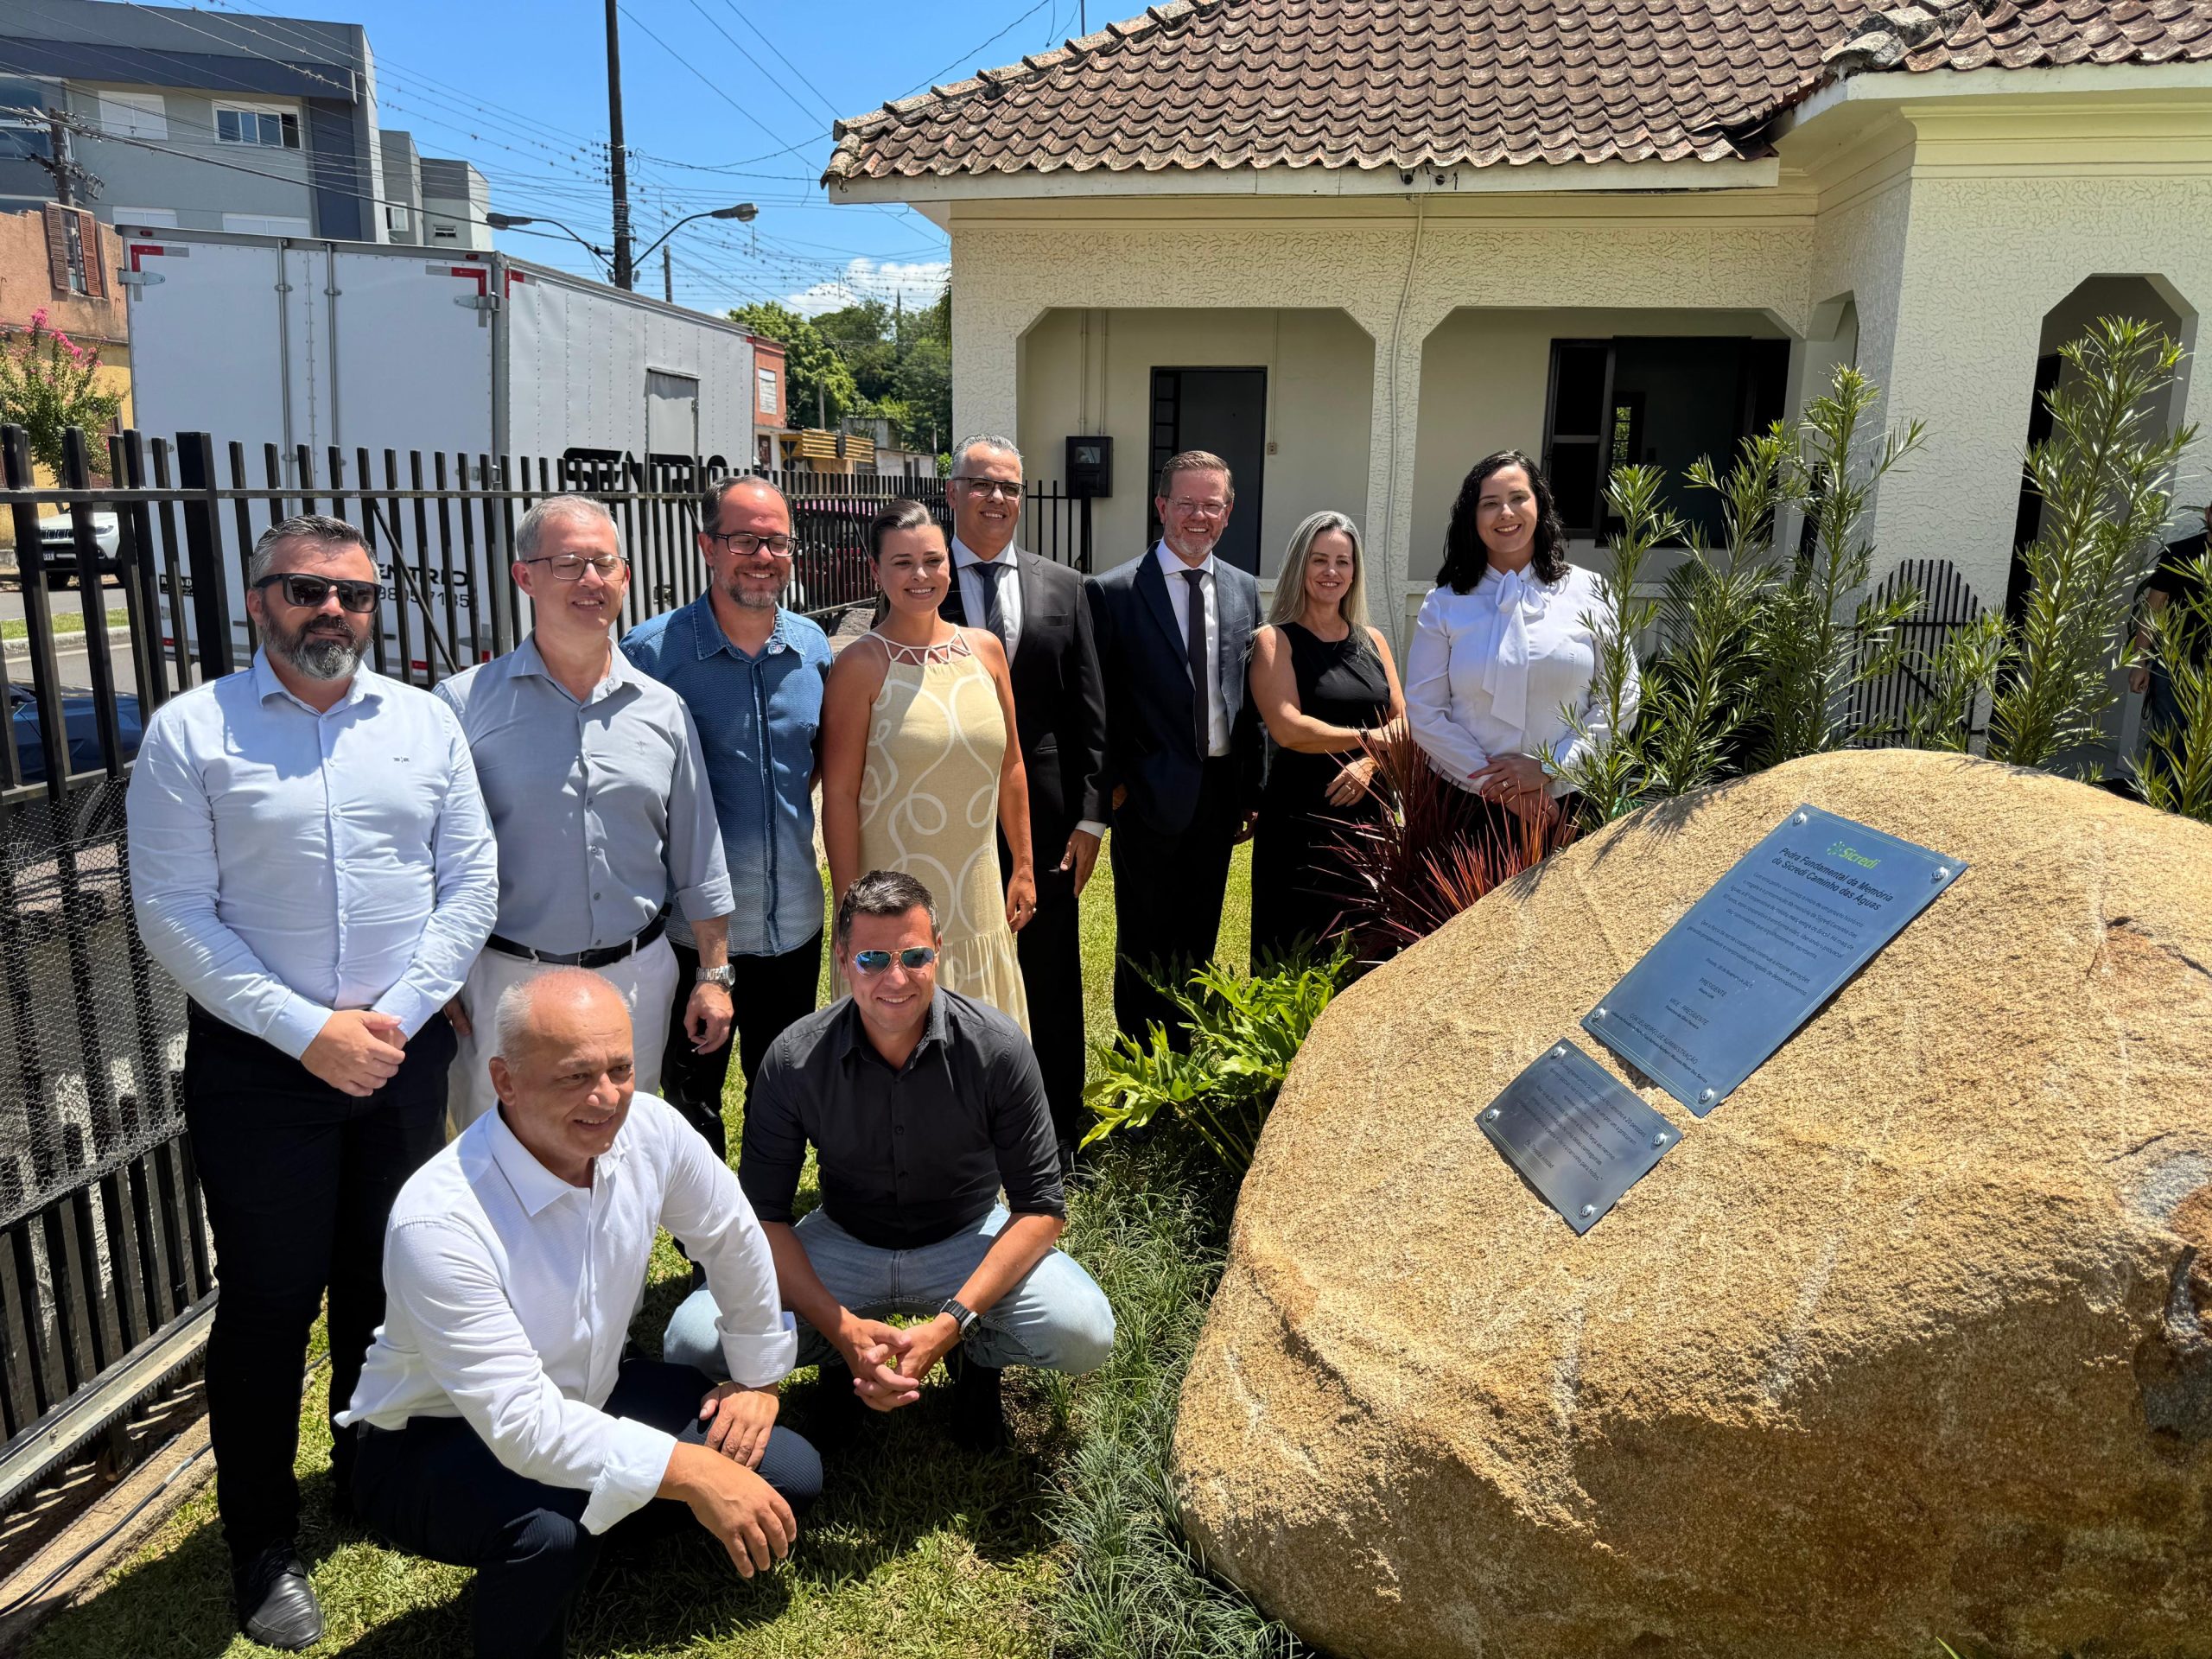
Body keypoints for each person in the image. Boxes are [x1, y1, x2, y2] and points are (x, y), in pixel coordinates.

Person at [126, 513, 499, 1650]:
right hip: (261, 1073)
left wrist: (386, 1019)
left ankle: (366, 1473)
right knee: (269, 1306)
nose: (330, 611)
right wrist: (306, 1033)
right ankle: (261, 1541)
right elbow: (172, 913)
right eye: (304, 590)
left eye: (352, 594)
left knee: (381, 1282)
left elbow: (471, 879)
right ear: (258, 601)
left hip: (395, 1057)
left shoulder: (424, 722)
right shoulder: (195, 732)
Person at [343, 969, 819, 1659]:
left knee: (789, 1474)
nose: (607, 1098)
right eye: (574, 1077)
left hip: (592, 1393)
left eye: (621, 1068)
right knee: (550, 1532)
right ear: (503, 1081)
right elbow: (519, 1425)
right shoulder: (439, 1221)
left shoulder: (649, 1127)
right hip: (436, 1440)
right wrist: (690, 1471)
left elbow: (731, 1233)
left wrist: (756, 1375)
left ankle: (605, 1512)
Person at [663, 870, 1114, 1450]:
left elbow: (1041, 1211)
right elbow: (765, 1219)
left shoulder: (998, 1050)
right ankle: (842, 1359)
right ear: (844, 958)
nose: (895, 979)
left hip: (966, 1234)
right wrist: (839, 1326)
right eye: (873, 959)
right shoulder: (795, 1059)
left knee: (1084, 1330)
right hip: (845, 1237)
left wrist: (952, 1325)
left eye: (914, 956)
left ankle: (974, 1354)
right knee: (693, 1338)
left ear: (939, 953)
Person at [437, 496, 734, 1130]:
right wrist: (437, 978)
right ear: (525, 577)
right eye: (569, 563)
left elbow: (698, 854)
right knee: (501, 1157)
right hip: (504, 981)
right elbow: (426, 857)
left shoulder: (664, 711)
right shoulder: (462, 707)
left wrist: (713, 973)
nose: (591, 581)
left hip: (634, 981)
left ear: (626, 577)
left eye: (605, 564)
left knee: (615, 1155)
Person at [622, 476, 832, 1157]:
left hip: (793, 920)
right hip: (689, 933)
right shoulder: (650, 656)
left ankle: (769, 1225)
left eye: (777, 542)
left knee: (787, 1090)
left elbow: (823, 767)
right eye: (745, 540)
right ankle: (704, 1249)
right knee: (691, 1101)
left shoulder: (814, 651)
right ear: (708, 544)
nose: (762, 556)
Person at [936, 435, 1109, 1160]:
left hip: (1045, 809)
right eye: (982, 484)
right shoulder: (919, 575)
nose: (998, 498)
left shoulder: (1065, 586)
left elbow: (1091, 709)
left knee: (1049, 968)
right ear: (952, 492)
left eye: (1010, 486)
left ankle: (1059, 1124)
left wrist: (1092, 816)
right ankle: (959, 1124)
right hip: (943, 808)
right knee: (954, 961)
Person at [820, 501, 1035, 1029]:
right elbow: (840, 796)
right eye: (901, 562)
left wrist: (1024, 865)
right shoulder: (859, 666)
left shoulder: (985, 652)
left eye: (933, 560)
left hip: (977, 896)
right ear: (876, 571)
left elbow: (1011, 765)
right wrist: (851, 913)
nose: (921, 575)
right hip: (890, 909)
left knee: (982, 1052)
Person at [1084, 450, 1263, 1046]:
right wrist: (1113, 788)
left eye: (1211, 505)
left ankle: (1185, 1048)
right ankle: (1140, 1053)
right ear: (1162, 506)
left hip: (1217, 795)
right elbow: (1098, 701)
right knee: (1143, 933)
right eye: (1186, 503)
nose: (1198, 516)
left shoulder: (1241, 589)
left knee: (1199, 930)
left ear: (1228, 513)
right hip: (1145, 792)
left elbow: (1249, 698)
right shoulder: (1112, 591)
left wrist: (1249, 790)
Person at [1404, 449, 1637, 849]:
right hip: (1465, 805)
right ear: (1472, 518)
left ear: (1539, 505)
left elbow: (1621, 698)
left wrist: (1549, 768)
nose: (1506, 513)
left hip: (1567, 801)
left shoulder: (1590, 592)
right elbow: (1425, 712)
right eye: (1489, 504)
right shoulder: (1444, 604)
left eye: (1517, 498)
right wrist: (1504, 787)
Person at [1247, 511, 1407, 969]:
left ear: (1355, 572)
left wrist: (1370, 761)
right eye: (1320, 560)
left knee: (1367, 951)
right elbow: (1289, 728)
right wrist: (1370, 739)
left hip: (1370, 821)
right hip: (1301, 822)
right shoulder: (1273, 641)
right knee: (1293, 952)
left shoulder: (1373, 640)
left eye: (1343, 561)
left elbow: (1405, 723)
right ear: (1300, 565)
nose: (1332, 572)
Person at [2133, 500, 2210, 772]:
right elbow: (2153, 608)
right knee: (2169, 741)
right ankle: (2161, 808)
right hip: (2173, 662)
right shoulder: (2179, 553)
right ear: (2208, 513)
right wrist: (2139, 662)